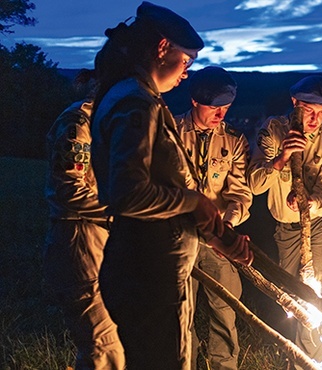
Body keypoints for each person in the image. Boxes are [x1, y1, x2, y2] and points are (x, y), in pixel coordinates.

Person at [90, 2, 252, 369]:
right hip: (145, 272)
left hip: (153, 270)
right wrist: (195, 201)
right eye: (186, 62)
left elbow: (162, 187)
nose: (185, 74)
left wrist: (216, 234)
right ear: (162, 48)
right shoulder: (135, 102)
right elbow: (128, 193)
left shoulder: (141, 98)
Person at [248, 75, 322, 363]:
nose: (314, 120)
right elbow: (254, 184)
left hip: (321, 226)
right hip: (288, 228)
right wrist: (280, 160)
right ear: (294, 103)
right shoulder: (273, 131)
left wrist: (310, 202)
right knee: (294, 294)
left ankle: (317, 358)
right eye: (308, 111)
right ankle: (300, 357)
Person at [43, 68, 125, 370]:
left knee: (113, 342)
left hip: (105, 240)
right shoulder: (79, 123)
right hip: (80, 239)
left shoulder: (110, 123)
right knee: (103, 348)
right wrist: (123, 210)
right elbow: (68, 190)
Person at [174, 66, 252, 370]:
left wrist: (227, 227)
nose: (220, 114)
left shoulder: (234, 140)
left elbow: (240, 193)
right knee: (182, 312)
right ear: (195, 101)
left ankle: (225, 366)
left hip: (219, 239)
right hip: (180, 237)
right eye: (213, 107)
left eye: (226, 107)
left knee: (226, 309)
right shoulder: (173, 132)